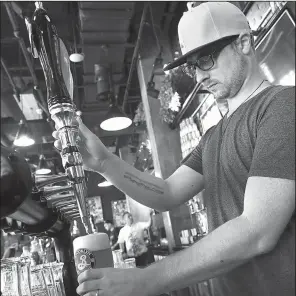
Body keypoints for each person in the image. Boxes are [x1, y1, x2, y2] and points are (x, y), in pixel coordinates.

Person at [53, 2, 295, 296]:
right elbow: (167, 194)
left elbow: (259, 230)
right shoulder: (213, 136)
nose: (199, 76)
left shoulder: (282, 106)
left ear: (243, 43)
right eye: (193, 66)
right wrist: (104, 161)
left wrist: (147, 279)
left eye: (206, 59)